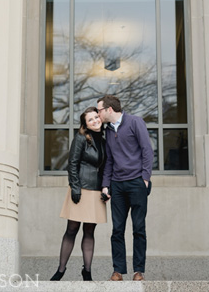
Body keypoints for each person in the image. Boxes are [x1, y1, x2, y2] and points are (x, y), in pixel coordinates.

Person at [97, 95, 154, 282]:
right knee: (117, 230)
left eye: (99, 110)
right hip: (117, 185)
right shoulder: (107, 131)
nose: (98, 114)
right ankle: (118, 271)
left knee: (139, 228)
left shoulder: (135, 122)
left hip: (136, 182)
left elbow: (147, 149)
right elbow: (110, 160)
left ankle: (139, 271)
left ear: (109, 110)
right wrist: (106, 185)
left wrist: (145, 178)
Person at [50, 106, 107, 281]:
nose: (95, 121)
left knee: (89, 232)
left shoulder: (105, 141)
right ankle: (60, 270)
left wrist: (106, 187)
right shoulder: (81, 138)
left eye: (96, 117)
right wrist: (75, 187)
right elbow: (72, 164)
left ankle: (87, 272)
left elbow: (106, 168)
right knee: (71, 230)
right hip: (80, 189)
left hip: (96, 191)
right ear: (85, 125)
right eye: (90, 120)